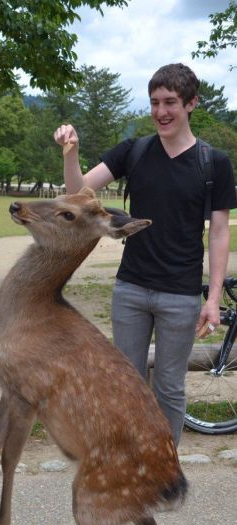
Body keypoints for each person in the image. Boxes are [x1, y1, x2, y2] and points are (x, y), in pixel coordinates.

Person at [53, 63, 236, 446]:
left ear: (191, 104)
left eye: (170, 102)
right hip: (131, 290)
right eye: (154, 102)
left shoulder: (212, 163)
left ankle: (163, 464)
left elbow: (219, 234)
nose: (161, 112)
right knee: (126, 382)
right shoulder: (133, 151)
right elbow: (79, 194)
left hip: (180, 294)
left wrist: (213, 298)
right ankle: (129, 459)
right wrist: (72, 153)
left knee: (169, 387)